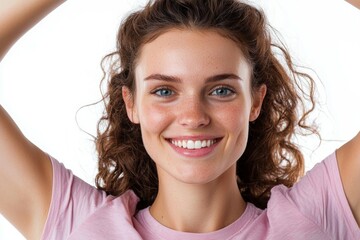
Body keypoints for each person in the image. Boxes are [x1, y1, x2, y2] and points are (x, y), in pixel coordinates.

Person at [0, 0, 359, 239]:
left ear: (256, 101)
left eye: (221, 90)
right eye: (164, 91)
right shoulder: (80, 226)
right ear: (131, 103)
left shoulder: (316, 220)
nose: (192, 117)